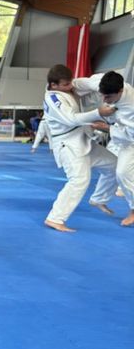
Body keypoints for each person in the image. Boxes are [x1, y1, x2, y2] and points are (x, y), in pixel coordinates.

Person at [43, 63, 116, 232]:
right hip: (68, 145)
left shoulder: (70, 88)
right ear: (54, 85)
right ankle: (55, 218)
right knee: (79, 180)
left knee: (115, 165)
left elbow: (90, 82)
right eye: (66, 84)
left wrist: (105, 86)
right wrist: (98, 113)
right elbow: (71, 119)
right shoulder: (53, 98)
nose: (70, 86)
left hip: (83, 139)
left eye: (70, 82)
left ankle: (99, 198)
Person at [75, 71, 134, 227]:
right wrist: (64, 88)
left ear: (120, 91)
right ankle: (99, 199)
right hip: (118, 129)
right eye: (102, 95)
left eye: (108, 97)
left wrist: (107, 128)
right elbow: (81, 82)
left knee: (123, 172)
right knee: (111, 165)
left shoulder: (131, 107)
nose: (104, 99)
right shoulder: (104, 82)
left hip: (130, 139)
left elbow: (130, 135)